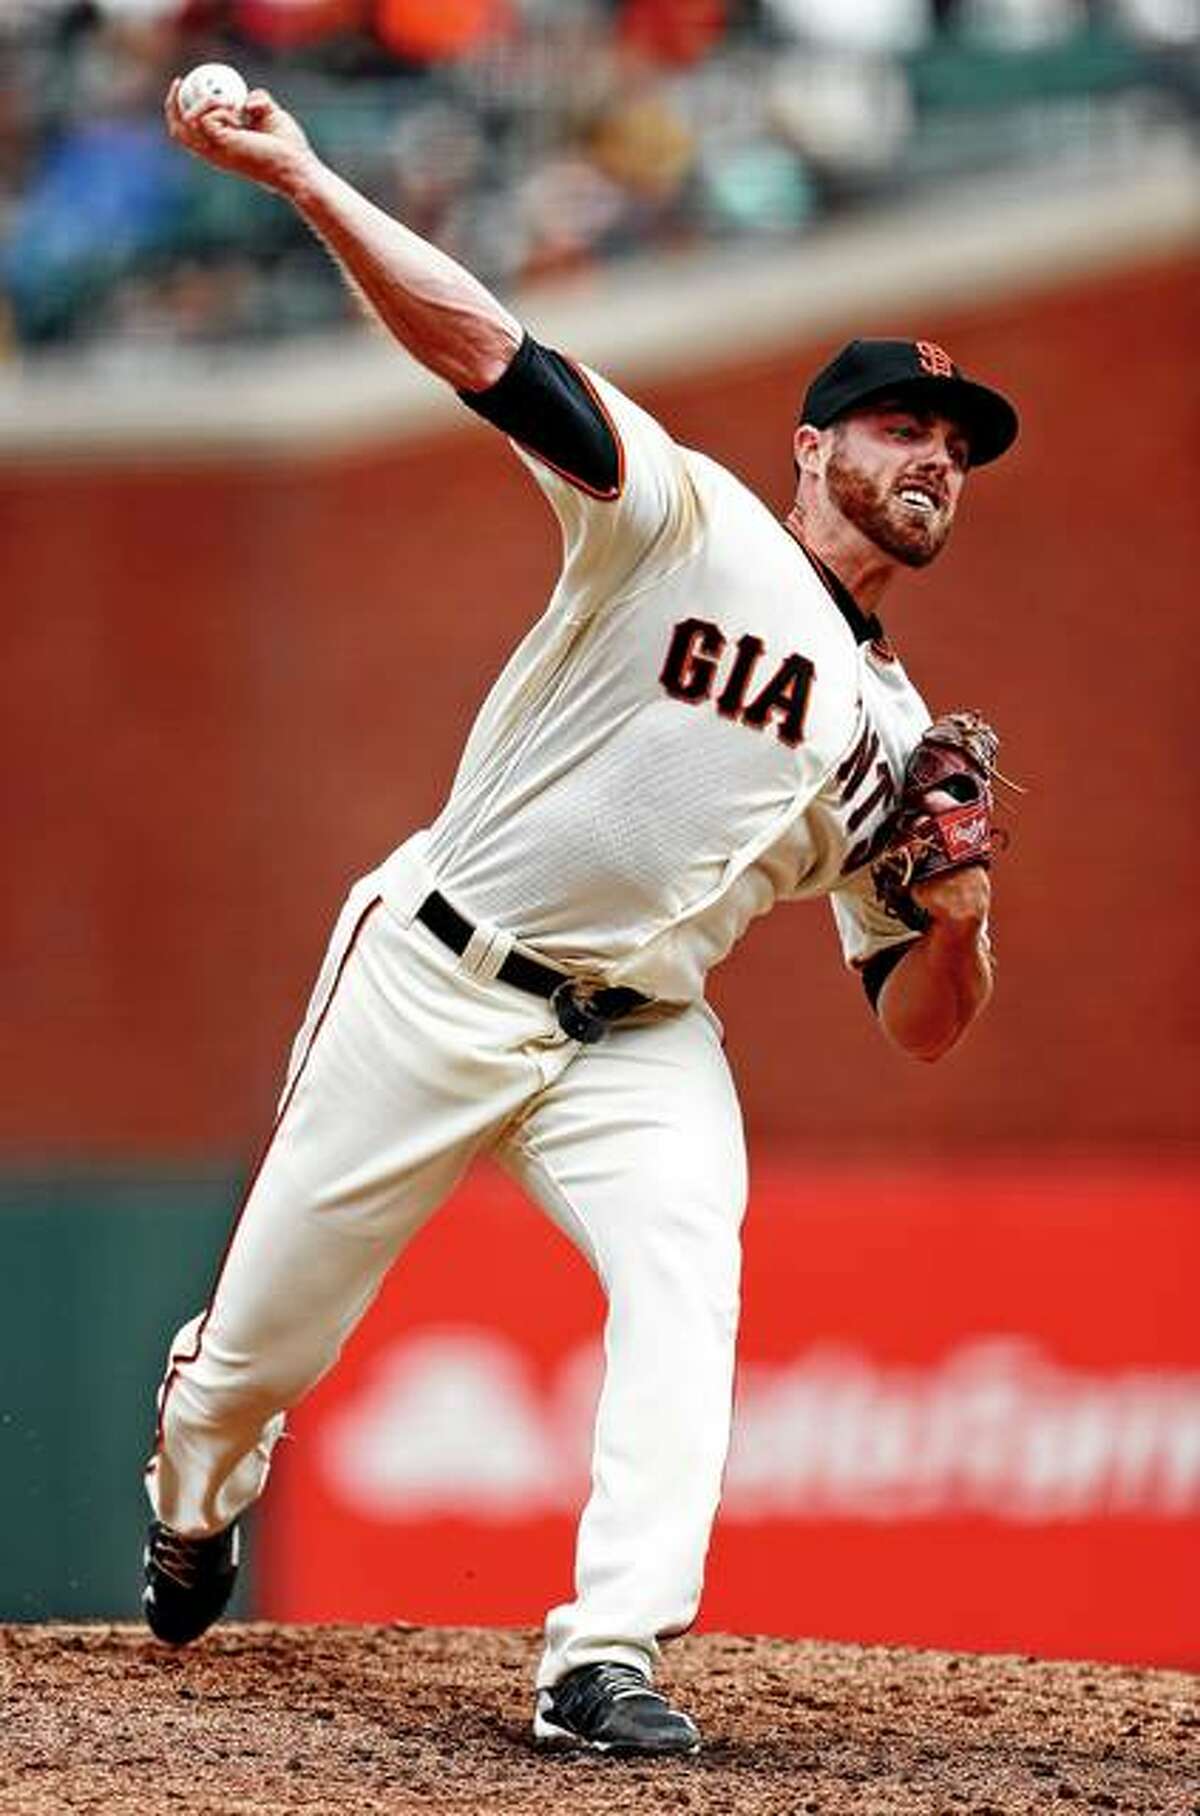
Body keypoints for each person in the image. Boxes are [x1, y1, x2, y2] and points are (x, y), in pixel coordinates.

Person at [144, 77, 1018, 1759]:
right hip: (438, 968)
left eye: (960, 446)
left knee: (689, 1274)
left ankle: (602, 1650)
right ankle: (196, 1489)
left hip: (641, 1035)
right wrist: (308, 176)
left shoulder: (907, 748)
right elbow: (490, 351)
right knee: (255, 1358)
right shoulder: (683, 517)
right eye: (907, 426)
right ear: (817, 445)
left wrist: (964, 909)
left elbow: (915, 1018)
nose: (937, 460)